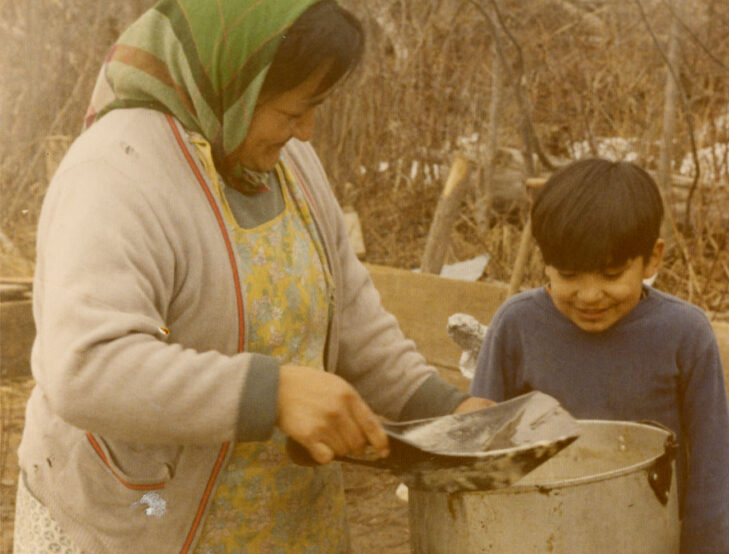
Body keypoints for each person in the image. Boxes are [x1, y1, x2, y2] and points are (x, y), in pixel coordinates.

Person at [14, 1, 492, 552]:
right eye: (293, 112)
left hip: (281, 525)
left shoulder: (285, 160)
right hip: (140, 524)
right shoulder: (115, 172)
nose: (307, 132)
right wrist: (272, 392)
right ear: (237, 82)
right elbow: (87, 368)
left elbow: (351, 314)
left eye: (314, 108)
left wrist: (441, 408)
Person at [470, 158, 729, 553]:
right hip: (539, 538)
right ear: (545, 261)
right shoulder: (517, 326)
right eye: (568, 275)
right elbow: (480, 451)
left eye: (611, 275)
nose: (590, 295)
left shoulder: (684, 334)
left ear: (653, 259)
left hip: (648, 539)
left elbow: (713, 470)